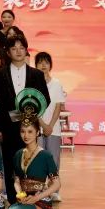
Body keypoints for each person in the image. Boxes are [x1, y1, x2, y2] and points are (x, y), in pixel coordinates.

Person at [1, 90, 95, 209]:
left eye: (30, 131)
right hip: (24, 200)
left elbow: (56, 184)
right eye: (23, 131)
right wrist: (20, 194)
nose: (26, 135)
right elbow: (17, 180)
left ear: (37, 133)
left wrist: (37, 197)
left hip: (40, 201)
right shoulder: (18, 154)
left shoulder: (45, 156)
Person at [0, 35, 50, 203]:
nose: (18, 51)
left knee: (31, 163)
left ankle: (32, 200)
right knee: (11, 165)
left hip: (30, 128)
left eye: (21, 48)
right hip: (8, 128)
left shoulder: (36, 74)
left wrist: (30, 114)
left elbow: (45, 99)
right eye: (14, 48)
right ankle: (13, 202)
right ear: (8, 52)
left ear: (26, 51)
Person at [36, 52, 66, 188]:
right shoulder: (33, 83)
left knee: (53, 160)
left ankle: (54, 190)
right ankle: (39, 190)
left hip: (54, 128)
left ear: (50, 65)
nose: (43, 65)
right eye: (40, 62)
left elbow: (58, 106)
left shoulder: (56, 83)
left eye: (46, 62)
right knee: (38, 160)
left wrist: (50, 126)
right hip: (37, 129)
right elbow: (33, 107)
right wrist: (42, 124)